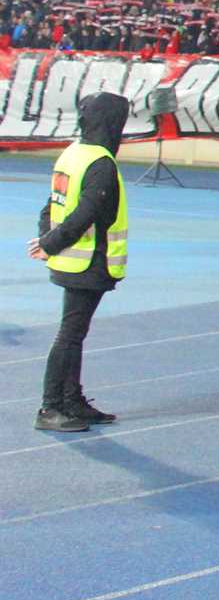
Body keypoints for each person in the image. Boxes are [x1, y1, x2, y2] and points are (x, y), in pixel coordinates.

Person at [27, 92, 130, 432]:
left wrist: (48, 241)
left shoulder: (73, 154)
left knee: (74, 333)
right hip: (89, 262)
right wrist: (50, 244)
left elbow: (52, 205)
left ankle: (71, 400)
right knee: (70, 334)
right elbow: (85, 213)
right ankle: (51, 407)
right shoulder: (101, 162)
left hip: (72, 259)